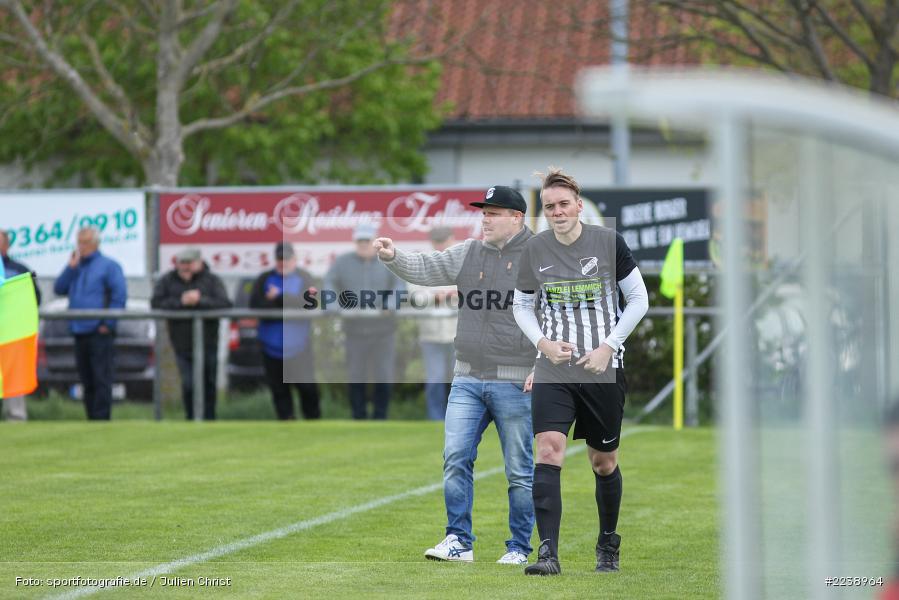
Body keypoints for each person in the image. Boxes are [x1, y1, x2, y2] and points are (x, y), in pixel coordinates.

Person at [374, 185, 537, 565]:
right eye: (483, 212)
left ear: (516, 218)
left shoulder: (538, 256)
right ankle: (458, 541)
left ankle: (518, 548)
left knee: (519, 471)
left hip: (515, 380)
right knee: (455, 460)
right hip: (466, 377)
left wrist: (541, 367)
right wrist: (392, 256)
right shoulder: (469, 251)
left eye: (493, 213)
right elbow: (427, 268)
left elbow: (554, 315)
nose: (485, 218)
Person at [512, 168, 648, 575]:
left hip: (603, 369)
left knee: (602, 461)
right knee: (548, 449)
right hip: (554, 368)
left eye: (563, 204)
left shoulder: (608, 242)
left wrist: (609, 346)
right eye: (549, 206)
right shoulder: (534, 250)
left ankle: (608, 544)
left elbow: (638, 299)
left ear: (578, 205)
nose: (557, 212)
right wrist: (543, 344)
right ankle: (548, 553)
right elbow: (521, 306)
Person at [325, 223, 404, 420]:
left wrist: (390, 304)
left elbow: (399, 284)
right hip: (354, 331)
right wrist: (333, 305)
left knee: (383, 376)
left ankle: (380, 417)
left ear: (375, 242)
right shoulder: (342, 262)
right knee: (355, 376)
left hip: (384, 330)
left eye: (367, 241)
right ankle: (358, 417)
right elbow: (329, 283)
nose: (363, 244)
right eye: (360, 241)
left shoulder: (388, 260)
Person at [53, 227, 127, 420]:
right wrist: (70, 268)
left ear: (95, 243)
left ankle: (102, 419)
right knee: (86, 380)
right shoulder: (76, 267)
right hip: (79, 330)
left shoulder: (109, 266)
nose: (81, 247)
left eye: (85, 243)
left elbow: (119, 297)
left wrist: (107, 324)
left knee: (101, 378)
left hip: (99, 331)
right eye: (79, 242)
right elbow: (59, 288)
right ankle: (90, 419)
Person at [151, 248, 231, 420]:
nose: (185, 267)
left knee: (208, 383)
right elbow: (156, 303)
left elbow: (225, 304)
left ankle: (209, 420)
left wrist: (200, 301)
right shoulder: (168, 281)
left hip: (208, 342)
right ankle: (191, 418)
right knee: (188, 384)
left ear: (199, 263)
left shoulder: (211, 281)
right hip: (182, 344)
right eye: (182, 263)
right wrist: (181, 302)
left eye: (189, 263)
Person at [249, 242, 321, 420]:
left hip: (299, 346)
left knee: (307, 389)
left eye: (287, 259)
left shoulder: (305, 277)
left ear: (294, 260)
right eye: (280, 259)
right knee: (279, 391)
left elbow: (309, 303)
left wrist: (278, 297)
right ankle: (287, 424)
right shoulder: (264, 278)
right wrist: (285, 305)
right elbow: (255, 305)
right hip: (270, 347)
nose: (283, 263)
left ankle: (314, 423)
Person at [411, 227, 457, 420]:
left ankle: (461, 417)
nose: (441, 244)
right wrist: (442, 296)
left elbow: (472, 292)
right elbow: (416, 297)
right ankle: (436, 419)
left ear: (452, 239)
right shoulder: (422, 263)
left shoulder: (464, 260)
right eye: (437, 241)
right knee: (436, 379)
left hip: (459, 333)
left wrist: (439, 296)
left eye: (444, 240)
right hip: (430, 333)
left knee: (461, 381)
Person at [0, 228, 41, 421]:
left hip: (10, 333)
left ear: (6, 245)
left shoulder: (18, 270)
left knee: (13, 374)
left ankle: (15, 417)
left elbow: (34, 297)